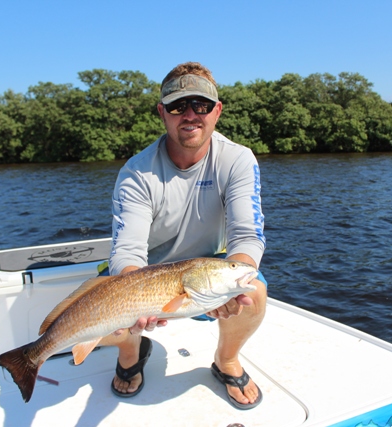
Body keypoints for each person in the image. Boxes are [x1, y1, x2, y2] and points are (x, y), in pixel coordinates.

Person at [100, 62, 267, 410]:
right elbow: (127, 252)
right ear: (162, 112)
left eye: (201, 105)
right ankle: (132, 354)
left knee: (255, 291)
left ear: (217, 111)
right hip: (148, 273)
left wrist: (233, 282)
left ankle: (226, 360)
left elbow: (246, 235)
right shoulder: (136, 173)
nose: (190, 115)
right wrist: (136, 298)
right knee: (106, 314)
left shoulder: (237, 160)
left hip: (209, 267)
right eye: (178, 106)